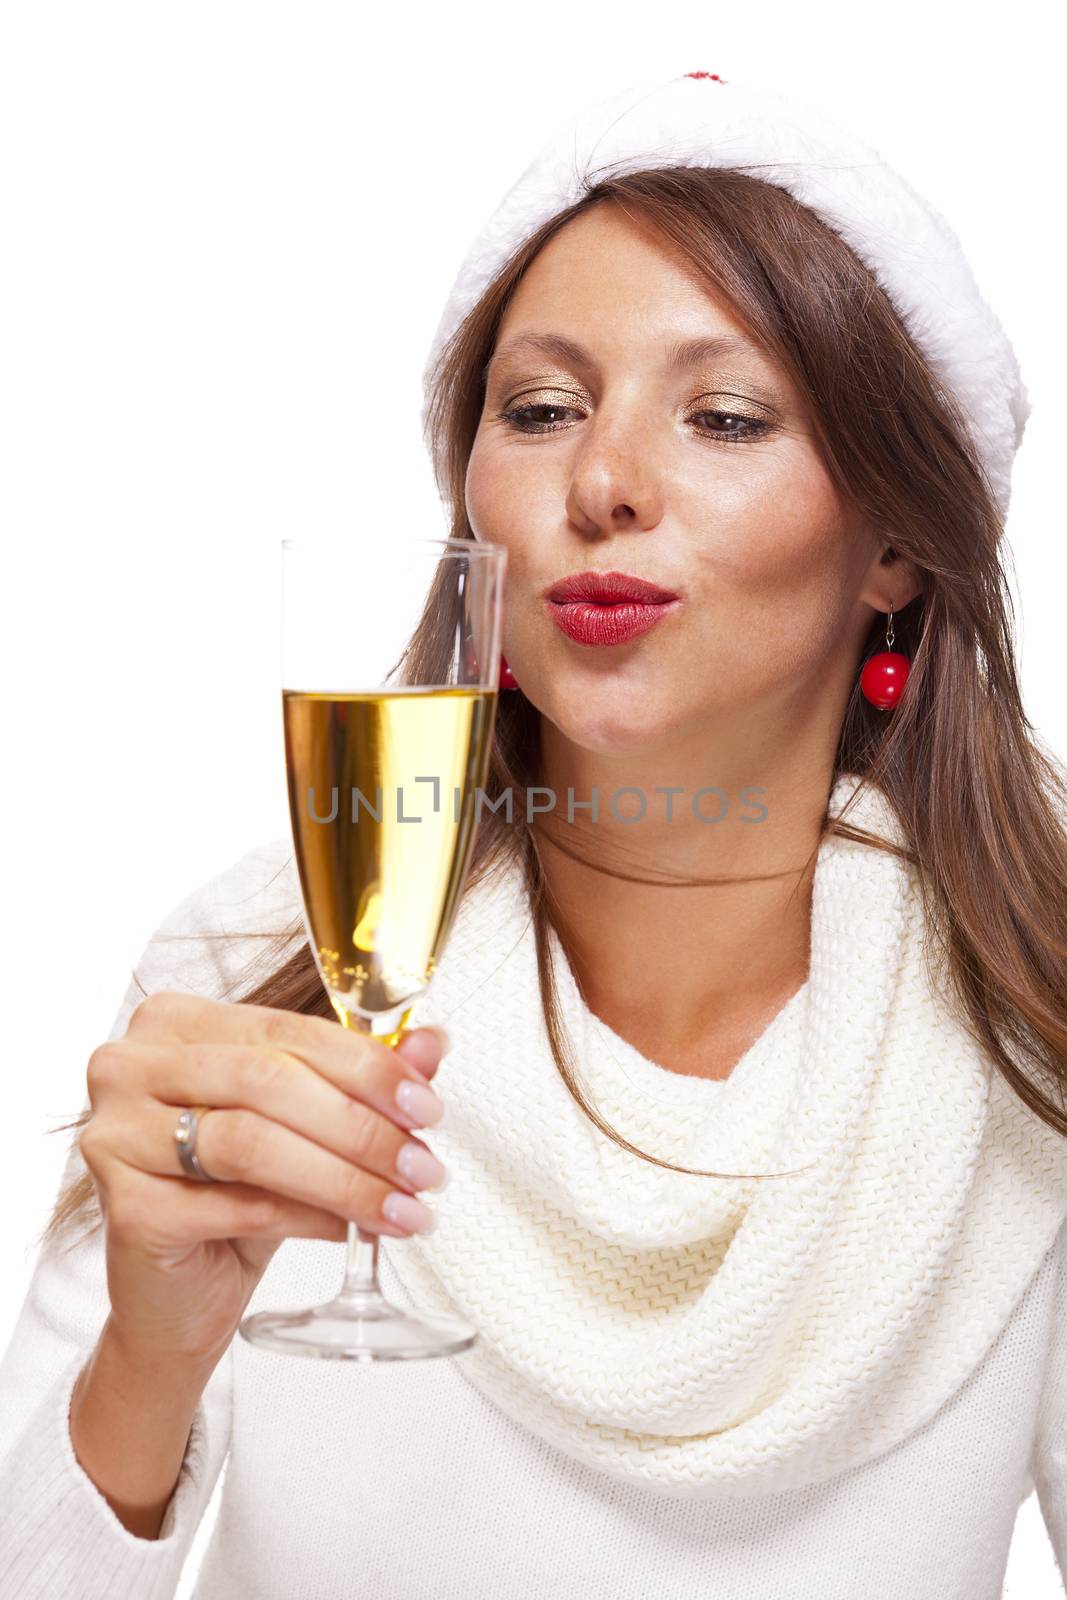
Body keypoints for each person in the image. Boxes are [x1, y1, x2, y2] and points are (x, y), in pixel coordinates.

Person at [2, 68, 1067, 1600]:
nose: (605, 484)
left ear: (897, 544)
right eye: (543, 409)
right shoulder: (259, 973)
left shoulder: (1033, 1025)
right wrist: (145, 1361)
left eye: (723, 415)